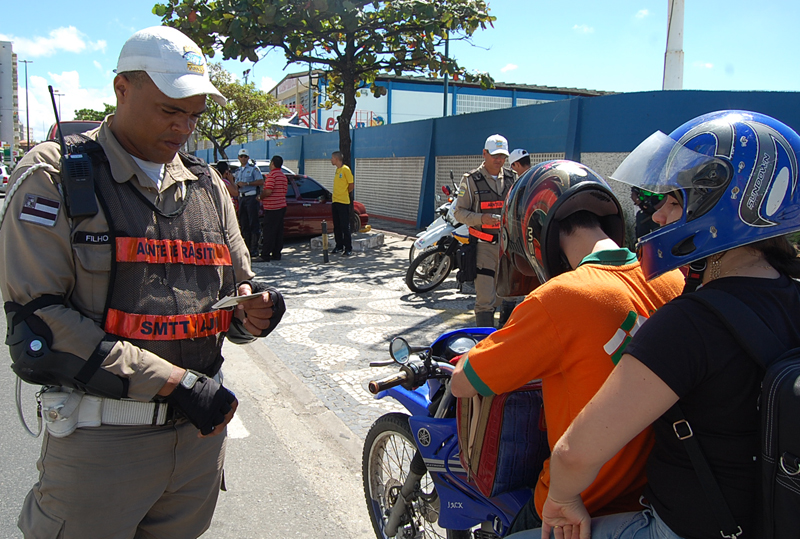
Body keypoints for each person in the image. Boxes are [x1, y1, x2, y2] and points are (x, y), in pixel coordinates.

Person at [1, 26, 285, 539]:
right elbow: (38, 324)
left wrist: (252, 312)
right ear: (122, 88)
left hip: (197, 445)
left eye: (194, 114)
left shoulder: (205, 186)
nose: (183, 127)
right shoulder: (54, 175)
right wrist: (175, 384)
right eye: (168, 109)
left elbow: (236, 291)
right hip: (102, 445)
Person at [509, 110, 800, 539]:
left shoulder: (691, 322)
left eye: (676, 201)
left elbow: (574, 454)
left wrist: (563, 500)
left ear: (730, 206)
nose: (659, 217)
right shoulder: (791, 296)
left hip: (679, 529)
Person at [451, 160, 684, 533]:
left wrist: (463, 364)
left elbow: (465, 380)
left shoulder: (560, 298)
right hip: (653, 490)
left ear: (534, 235)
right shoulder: (669, 279)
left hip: (581, 501)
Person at [453, 134, 516, 327]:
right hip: (484, 248)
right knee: (485, 300)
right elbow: (459, 212)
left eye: (503, 156)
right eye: (495, 155)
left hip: (508, 249)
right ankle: (484, 342)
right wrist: (482, 219)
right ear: (484, 154)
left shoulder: (513, 178)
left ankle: (506, 339)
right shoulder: (471, 180)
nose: (499, 160)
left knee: (510, 295)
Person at [258, 155, 288, 262]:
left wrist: (260, 197)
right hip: (281, 206)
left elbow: (268, 191)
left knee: (269, 232)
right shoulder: (283, 176)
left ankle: (265, 254)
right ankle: (276, 254)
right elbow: (284, 191)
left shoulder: (272, 175)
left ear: (273, 163)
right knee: (278, 232)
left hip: (272, 208)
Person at [235, 147, 264, 255]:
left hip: (251, 197)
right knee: (243, 223)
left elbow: (261, 181)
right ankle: (245, 247)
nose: (243, 158)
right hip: (242, 198)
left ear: (248, 158)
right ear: (238, 158)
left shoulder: (253, 169)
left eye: (245, 156)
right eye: (241, 156)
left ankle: (254, 248)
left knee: (253, 223)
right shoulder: (237, 171)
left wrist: (247, 184)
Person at [330, 150, 354, 256]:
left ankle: (348, 248)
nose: (331, 160)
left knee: (345, 226)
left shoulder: (345, 169)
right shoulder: (337, 170)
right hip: (335, 201)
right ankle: (339, 245)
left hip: (343, 202)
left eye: (332, 158)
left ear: (336, 159)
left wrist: (344, 193)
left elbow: (351, 185)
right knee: (337, 225)